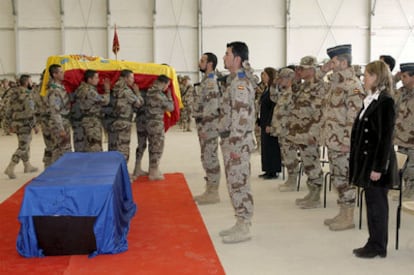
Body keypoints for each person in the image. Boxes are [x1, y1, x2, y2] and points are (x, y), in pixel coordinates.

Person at [350, 60, 398, 258]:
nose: (364, 78)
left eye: (367, 75)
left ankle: (378, 246)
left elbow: (385, 138)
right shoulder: (371, 99)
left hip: (378, 163)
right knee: (372, 203)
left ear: (377, 77)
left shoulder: (385, 101)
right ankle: (373, 241)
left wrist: (378, 167)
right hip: (368, 161)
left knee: (377, 205)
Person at [320, 44, 364, 231]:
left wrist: (347, 142)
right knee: (338, 179)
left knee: (345, 179)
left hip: (343, 143)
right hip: (333, 140)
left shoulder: (353, 85)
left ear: (344, 62)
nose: (331, 63)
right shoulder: (335, 84)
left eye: (334, 61)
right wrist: (324, 70)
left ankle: (349, 217)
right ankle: (342, 212)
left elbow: (354, 117)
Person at [218, 41, 256, 244]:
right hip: (232, 141)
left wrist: (234, 144)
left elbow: (241, 117)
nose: (224, 57)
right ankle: (240, 221)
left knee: (240, 183)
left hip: (237, 143)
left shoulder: (240, 84)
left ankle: (245, 226)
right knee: (234, 183)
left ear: (237, 59)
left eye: (227, 54)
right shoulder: (233, 81)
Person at [290, 56, 324, 208]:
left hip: (310, 131)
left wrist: (314, 133)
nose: (300, 71)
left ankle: (315, 196)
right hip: (300, 131)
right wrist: (296, 78)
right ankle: (311, 191)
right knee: (307, 162)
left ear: (312, 69)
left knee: (312, 162)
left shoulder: (319, 86)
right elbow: (294, 97)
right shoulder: (304, 86)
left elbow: (319, 113)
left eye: (302, 69)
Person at [192, 52, 221, 204]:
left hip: (208, 126)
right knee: (206, 157)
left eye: (202, 60)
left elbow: (211, 108)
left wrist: (204, 127)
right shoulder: (205, 80)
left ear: (210, 64)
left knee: (210, 157)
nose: (199, 62)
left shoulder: (211, 82)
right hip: (204, 125)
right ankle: (209, 189)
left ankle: (213, 193)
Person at [270, 68, 300, 192]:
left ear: (289, 79)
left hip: (288, 130)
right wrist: (274, 84)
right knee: (286, 155)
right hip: (281, 129)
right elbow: (273, 98)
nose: (280, 80)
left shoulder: (294, 92)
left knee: (290, 155)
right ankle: (290, 178)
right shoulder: (284, 92)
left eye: (282, 78)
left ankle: (293, 181)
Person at [3, 75, 38, 179]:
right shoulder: (27, 94)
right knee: (23, 147)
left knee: (25, 145)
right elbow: (29, 112)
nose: (32, 83)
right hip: (25, 124)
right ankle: (10, 167)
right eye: (30, 81)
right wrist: (34, 125)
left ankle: (27, 165)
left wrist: (7, 124)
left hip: (16, 124)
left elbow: (8, 110)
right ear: (26, 82)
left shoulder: (13, 93)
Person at [145, 74, 174, 180]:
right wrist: (170, 97)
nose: (167, 88)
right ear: (163, 83)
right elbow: (170, 108)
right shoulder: (159, 95)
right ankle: (153, 172)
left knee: (152, 146)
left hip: (149, 123)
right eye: (167, 85)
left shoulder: (149, 91)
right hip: (156, 124)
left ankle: (153, 169)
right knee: (157, 147)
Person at [110, 69, 144, 162]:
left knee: (117, 146)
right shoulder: (126, 91)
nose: (133, 80)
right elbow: (139, 103)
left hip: (116, 121)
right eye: (132, 77)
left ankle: (117, 170)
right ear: (125, 78)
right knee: (123, 148)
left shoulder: (115, 88)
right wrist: (137, 93)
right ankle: (123, 172)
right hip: (124, 122)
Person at [394, 63, 414, 200]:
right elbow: (386, 95)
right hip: (401, 137)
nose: (402, 78)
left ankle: (410, 191)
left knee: (412, 167)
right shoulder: (402, 92)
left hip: (412, 138)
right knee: (404, 165)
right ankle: (407, 189)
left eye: (405, 76)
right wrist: (394, 80)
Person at [77, 70, 110, 152]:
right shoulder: (89, 91)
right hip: (92, 123)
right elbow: (104, 101)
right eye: (96, 77)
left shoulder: (82, 89)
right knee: (95, 148)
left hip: (87, 121)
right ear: (89, 79)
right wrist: (107, 91)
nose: (98, 79)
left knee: (88, 148)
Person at [257, 67, 282, 179]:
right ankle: (267, 169)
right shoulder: (267, 89)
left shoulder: (274, 90)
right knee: (265, 147)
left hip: (269, 122)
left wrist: (269, 123)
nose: (263, 77)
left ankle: (273, 171)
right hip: (263, 120)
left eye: (265, 75)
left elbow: (273, 108)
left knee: (271, 147)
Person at [47, 64, 72, 163]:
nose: (63, 74)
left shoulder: (61, 87)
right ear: (54, 74)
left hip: (63, 121)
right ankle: (62, 173)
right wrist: (61, 128)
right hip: (59, 123)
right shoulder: (54, 91)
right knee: (64, 149)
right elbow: (55, 111)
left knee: (58, 150)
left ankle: (55, 172)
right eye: (61, 72)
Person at [32, 70, 53, 168]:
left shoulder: (36, 88)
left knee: (49, 144)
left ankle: (47, 165)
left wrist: (35, 123)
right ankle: (51, 165)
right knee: (54, 144)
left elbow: (34, 107)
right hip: (50, 119)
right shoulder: (49, 88)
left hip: (44, 119)